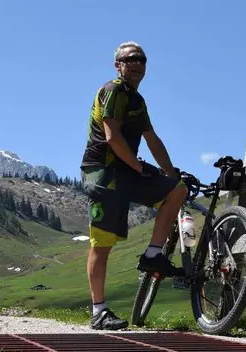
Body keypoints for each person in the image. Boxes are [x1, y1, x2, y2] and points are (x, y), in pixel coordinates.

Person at [79, 41, 188, 330]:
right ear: (118, 65)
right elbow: (113, 137)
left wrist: (171, 173)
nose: (137, 63)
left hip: (129, 169)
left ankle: (153, 254)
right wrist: (140, 168)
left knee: (177, 190)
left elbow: (152, 140)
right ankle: (99, 311)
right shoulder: (113, 90)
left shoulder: (138, 102)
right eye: (130, 59)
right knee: (102, 245)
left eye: (142, 59)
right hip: (104, 172)